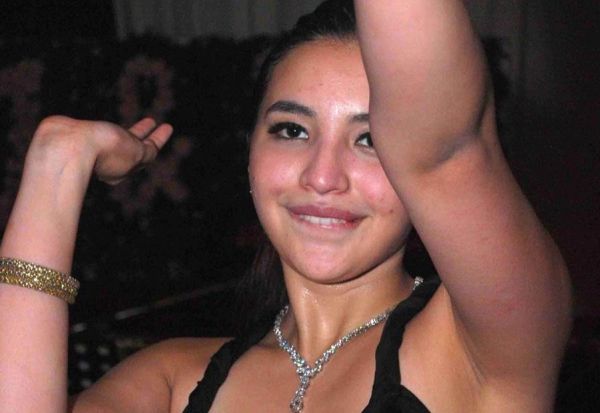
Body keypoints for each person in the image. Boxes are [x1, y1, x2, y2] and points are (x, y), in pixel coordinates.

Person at [0, 0, 572, 412]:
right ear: (250, 151)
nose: (322, 177)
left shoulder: (484, 345)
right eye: (292, 130)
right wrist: (57, 165)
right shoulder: (172, 378)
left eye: (371, 140)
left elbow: (443, 153)